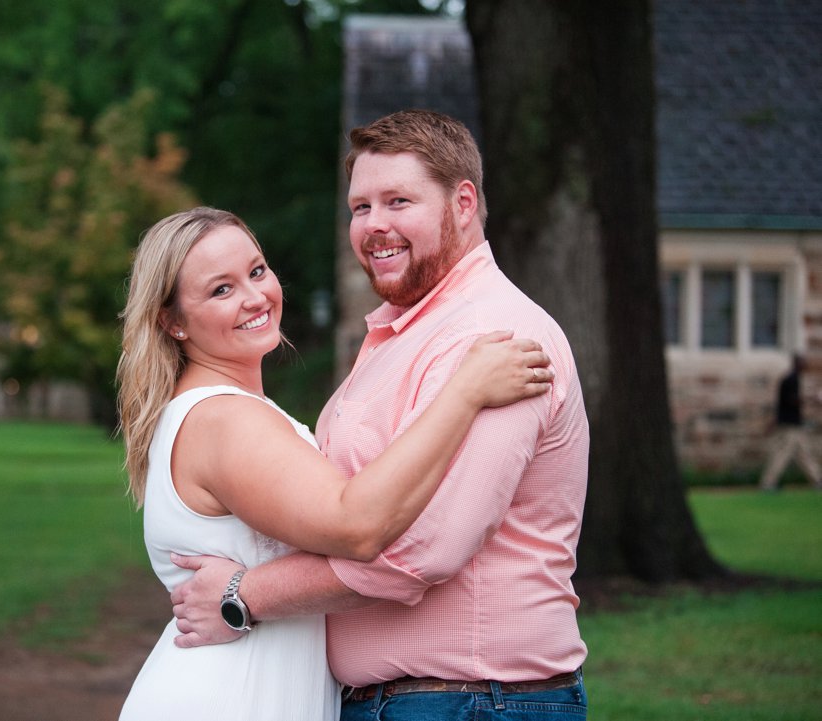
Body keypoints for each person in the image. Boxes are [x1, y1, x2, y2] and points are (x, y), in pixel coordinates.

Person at [169, 110, 590, 720]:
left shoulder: (493, 338)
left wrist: (243, 595)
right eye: (360, 207)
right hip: (420, 701)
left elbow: (422, 551)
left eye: (398, 201)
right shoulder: (408, 332)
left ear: (463, 203)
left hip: (472, 700)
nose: (374, 226)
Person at [115, 205, 555, 721]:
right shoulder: (224, 419)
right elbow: (356, 525)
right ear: (173, 322)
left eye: (257, 271)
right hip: (229, 699)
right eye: (221, 290)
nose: (255, 297)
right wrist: (465, 392)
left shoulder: (216, 410)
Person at [759, 354, 822, 491]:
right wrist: (812, 398)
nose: (805, 365)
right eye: (802, 362)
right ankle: (768, 483)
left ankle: (817, 480)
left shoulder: (792, 379)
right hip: (789, 425)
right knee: (782, 454)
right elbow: (791, 400)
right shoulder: (791, 379)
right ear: (796, 363)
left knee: (804, 454)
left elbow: (782, 403)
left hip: (794, 424)